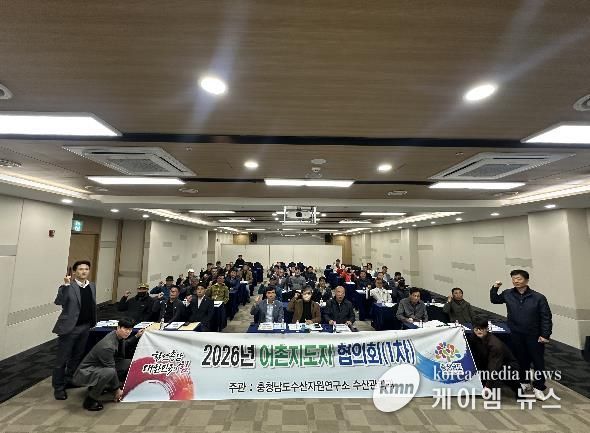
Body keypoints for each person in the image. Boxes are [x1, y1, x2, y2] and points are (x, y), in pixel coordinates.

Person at [490, 270, 552, 400]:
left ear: (526, 280)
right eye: (513, 279)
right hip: (515, 333)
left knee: (538, 362)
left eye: (519, 278)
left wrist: (545, 335)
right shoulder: (508, 293)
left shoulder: (538, 297)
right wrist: (495, 287)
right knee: (520, 360)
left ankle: (539, 387)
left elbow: (546, 317)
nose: (516, 281)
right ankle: (524, 382)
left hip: (534, 335)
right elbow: (494, 300)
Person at [73, 318, 144, 411]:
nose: (128, 332)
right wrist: (117, 390)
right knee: (109, 372)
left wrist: (136, 336)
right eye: (125, 329)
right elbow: (112, 369)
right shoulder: (107, 346)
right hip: (85, 372)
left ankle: (103, 386)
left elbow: (124, 345)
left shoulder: (117, 335)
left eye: (130, 329)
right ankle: (90, 400)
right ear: (118, 327)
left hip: (100, 366)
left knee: (129, 363)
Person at [52, 260, 97, 400]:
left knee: (77, 356)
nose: (84, 271)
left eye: (86, 269)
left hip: (85, 326)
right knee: (62, 359)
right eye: (81, 269)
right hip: (70, 328)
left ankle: (69, 379)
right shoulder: (68, 286)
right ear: (75, 272)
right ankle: (58, 387)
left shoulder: (92, 285)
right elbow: (59, 301)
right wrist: (66, 285)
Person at [468, 316, 520, 396]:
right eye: (476, 329)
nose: (479, 331)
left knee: (507, 377)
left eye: (481, 329)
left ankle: (520, 394)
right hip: (488, 360)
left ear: (487, 329)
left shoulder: (495, 345)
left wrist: (488, 387)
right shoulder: (473, 337)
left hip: (506, 365)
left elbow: (494, 366)